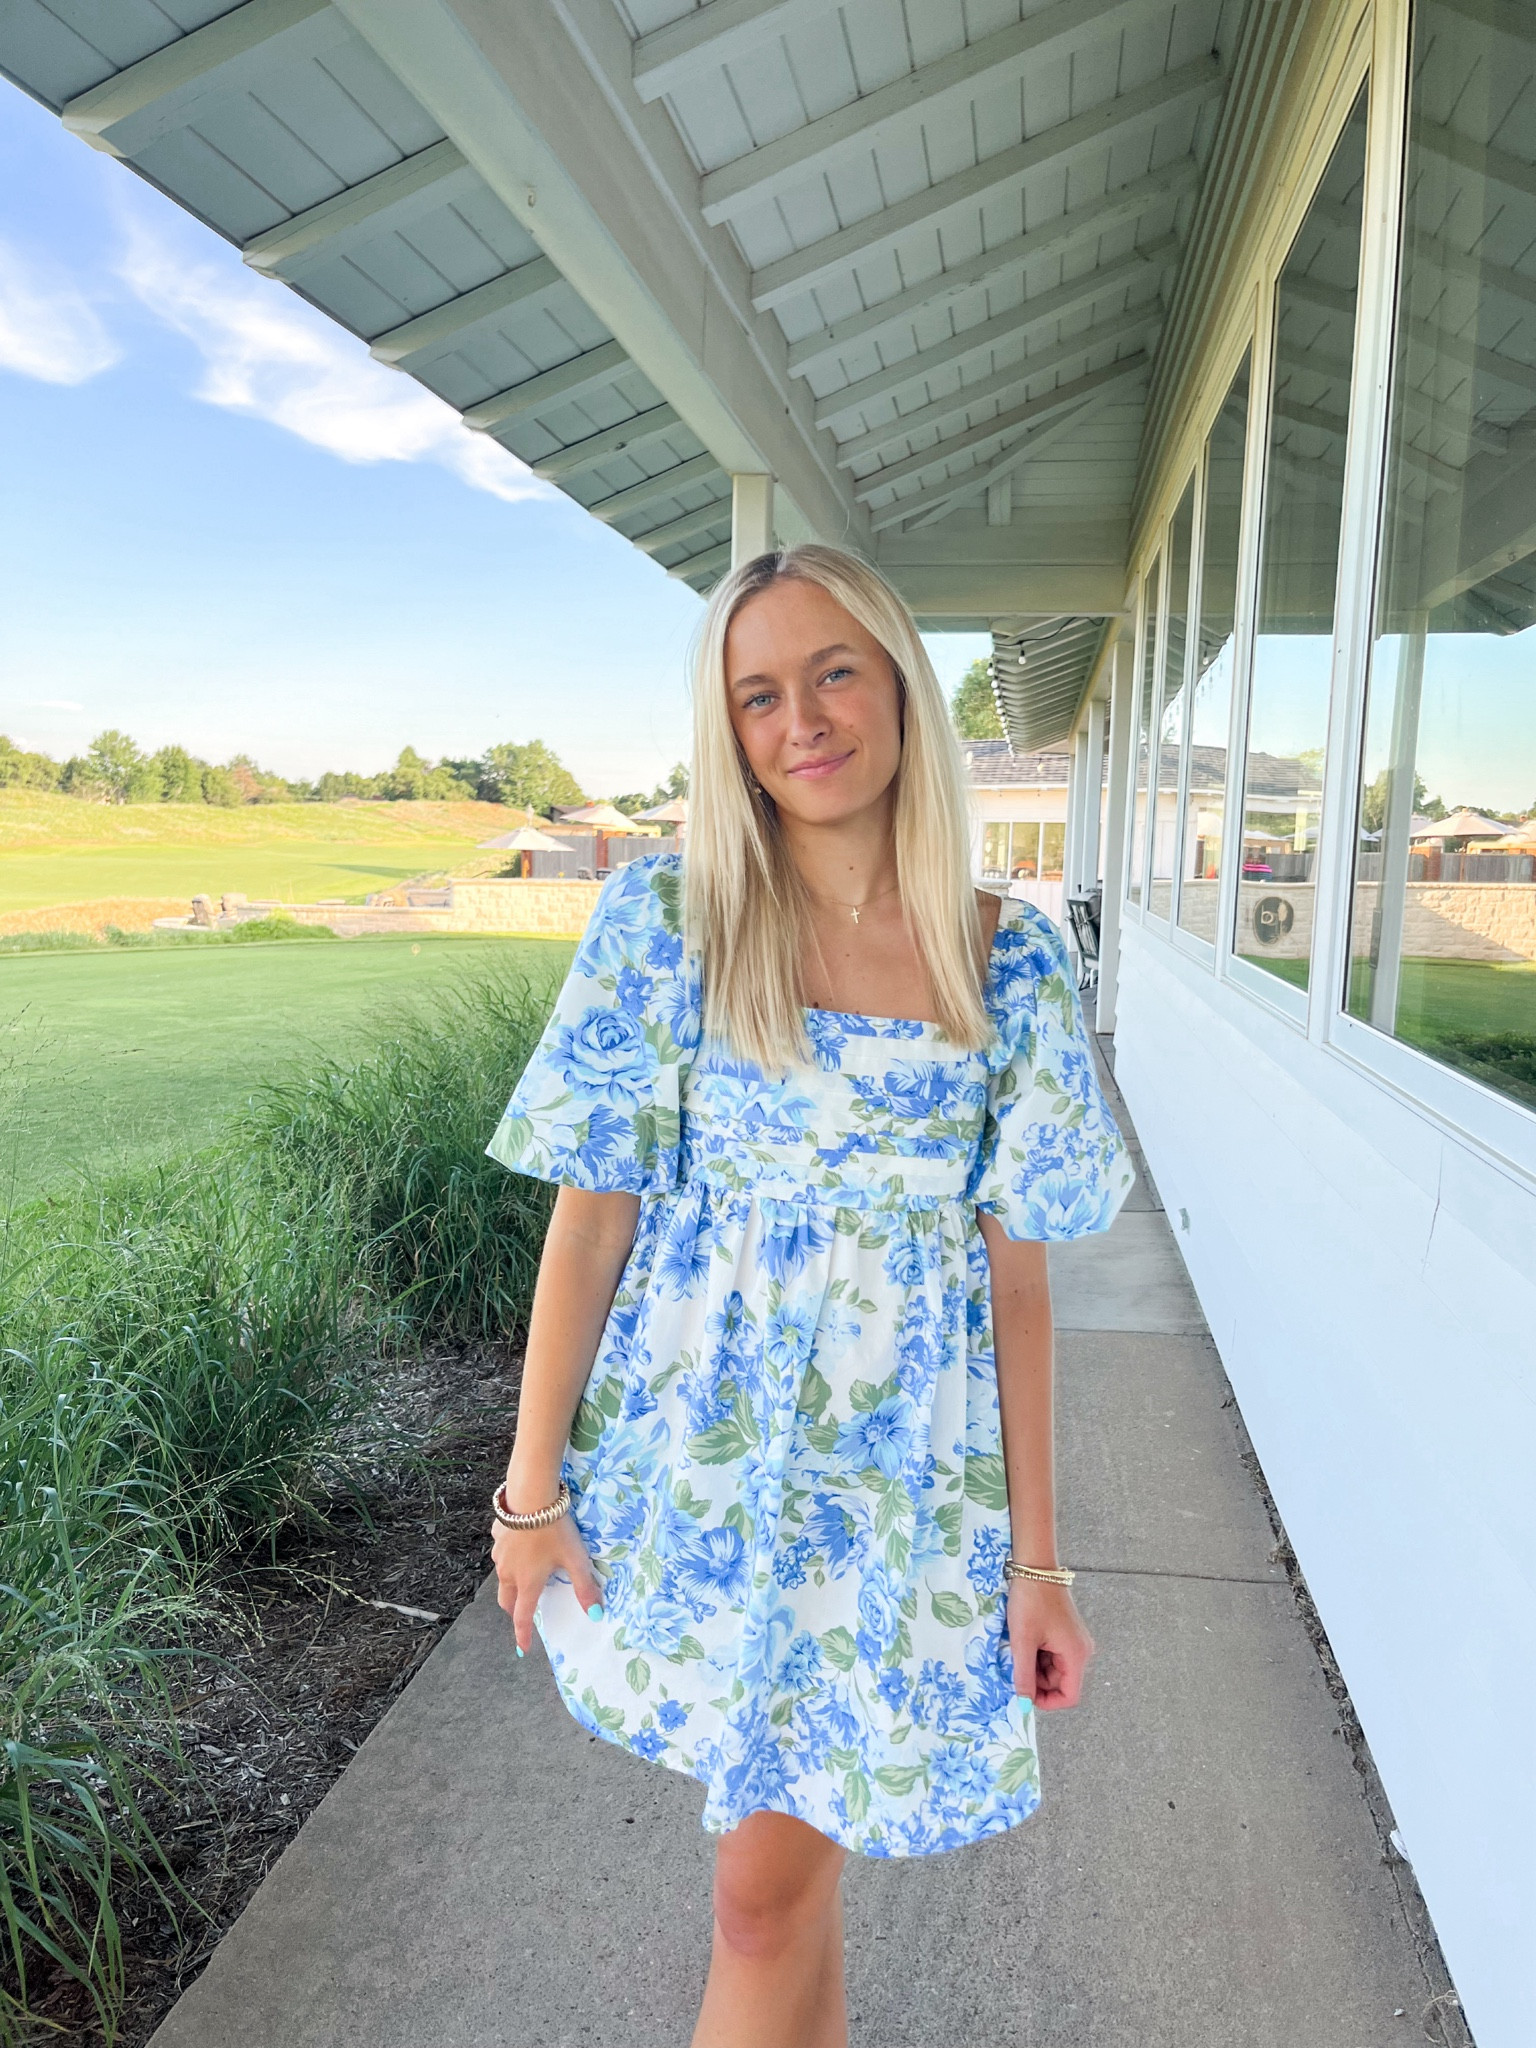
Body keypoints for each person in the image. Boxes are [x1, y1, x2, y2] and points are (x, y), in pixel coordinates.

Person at [486, 545, 1133, 2047]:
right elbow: (589, 1231)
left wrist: (1042, 1564)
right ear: (730, 733)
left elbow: (1016, 1290)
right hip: (704, 1485)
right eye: (758, 694)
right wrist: (531, 1495)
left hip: (894, 1501)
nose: (804, 721)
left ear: (900, 681)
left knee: (767, 1901)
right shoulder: (671, 927)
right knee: (778, 1903)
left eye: (834, 670)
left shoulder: (1007, 960)